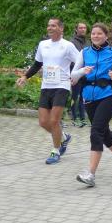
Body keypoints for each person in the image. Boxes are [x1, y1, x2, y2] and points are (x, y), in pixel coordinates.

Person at [70, 23, 112, 187]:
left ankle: (90, 174)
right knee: (103, 133)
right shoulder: (84, 52)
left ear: (106, 36)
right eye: (93, 34)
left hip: (107, 96)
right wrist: (82, 71)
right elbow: (73, 74)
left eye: (99, 34)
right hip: (89, 97)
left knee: (96, 131)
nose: (95, 36)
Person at [16, 17, 75, 164]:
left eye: (53, 26)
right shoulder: (43, 45)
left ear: (61, 28)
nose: (50, 28)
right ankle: (64, 137)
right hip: (46, 86)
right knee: (43, 122)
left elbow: (79, 61)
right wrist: (25, 76)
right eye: (49, 25)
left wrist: (75, 76)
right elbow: (37, 64)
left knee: (54, 121)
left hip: (61, 86)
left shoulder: (68, 46)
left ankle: (55, 151)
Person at [69, 22, 89, 127]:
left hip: (86, 74)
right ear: (76, 29)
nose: (83, 29)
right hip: (75, 73)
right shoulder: (71, 43)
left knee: (83, 97)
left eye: (84, 28)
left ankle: (83, 118)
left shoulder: (88, 43)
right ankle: (74, 118)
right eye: (80, 28)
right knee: (75, 96)